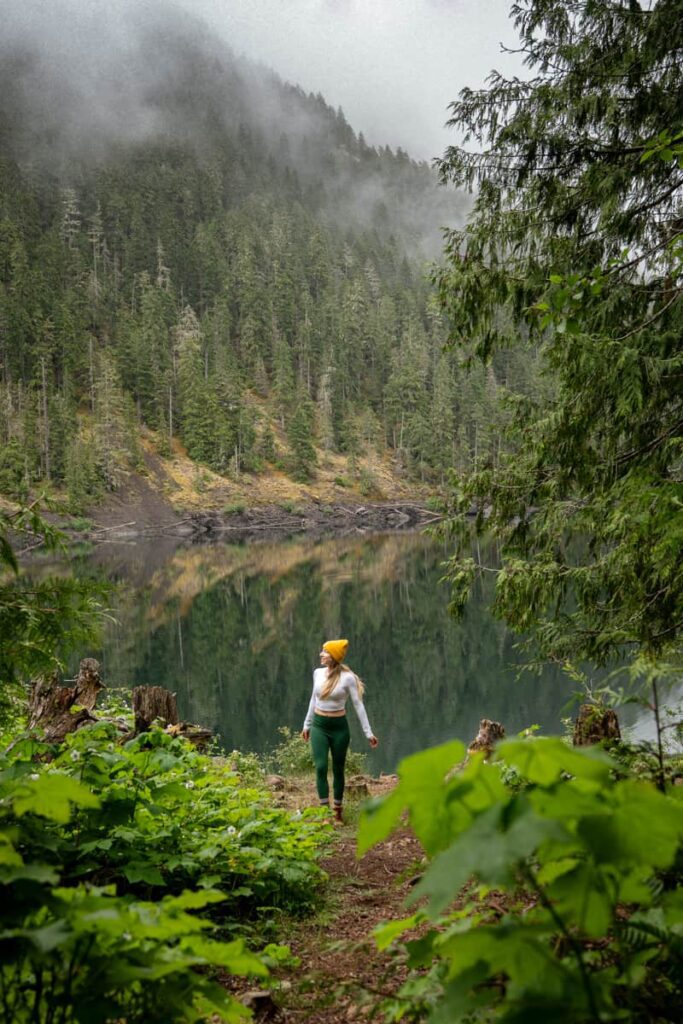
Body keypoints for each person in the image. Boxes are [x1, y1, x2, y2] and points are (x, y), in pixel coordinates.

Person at [301, 638, 378, 824]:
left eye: (325, 652)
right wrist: (307, 724)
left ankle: (337, 811)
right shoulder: (317, 674)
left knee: (338, 768)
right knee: (320, 767)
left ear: (334, 656)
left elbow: (358, 705)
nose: (321, 654)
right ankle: (324, 813)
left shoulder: (348, 678)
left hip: (339, 728)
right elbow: (313, 699)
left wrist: (368, 733)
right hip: (319, 726)